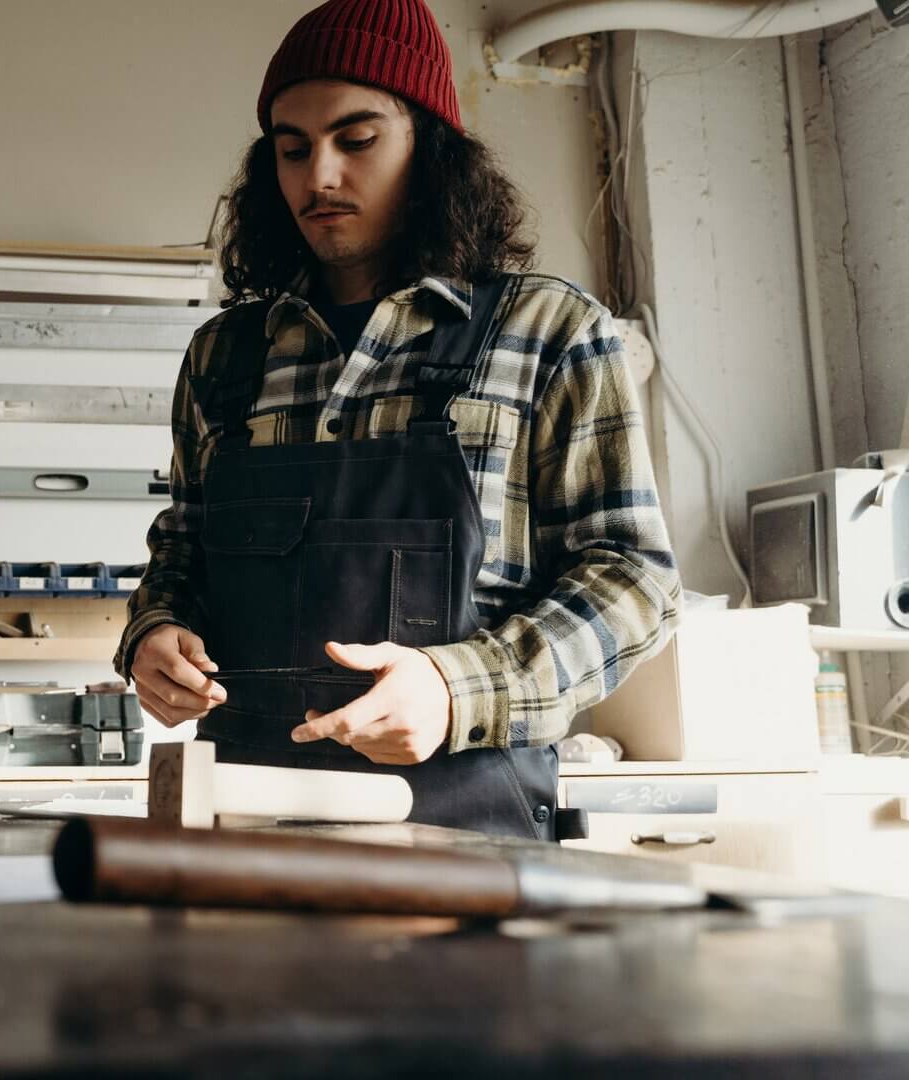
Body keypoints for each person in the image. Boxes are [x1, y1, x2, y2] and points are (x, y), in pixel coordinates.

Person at [119, 0, 681, 839]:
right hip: (241, 837)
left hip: (467, 837)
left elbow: (636, 579)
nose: (320, 178)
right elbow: (184, 551)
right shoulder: (223, 359)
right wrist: (155, 632)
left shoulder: (551, 335)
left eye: (357, 139)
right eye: (293, 148)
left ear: (431, 146)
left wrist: (460, 687)